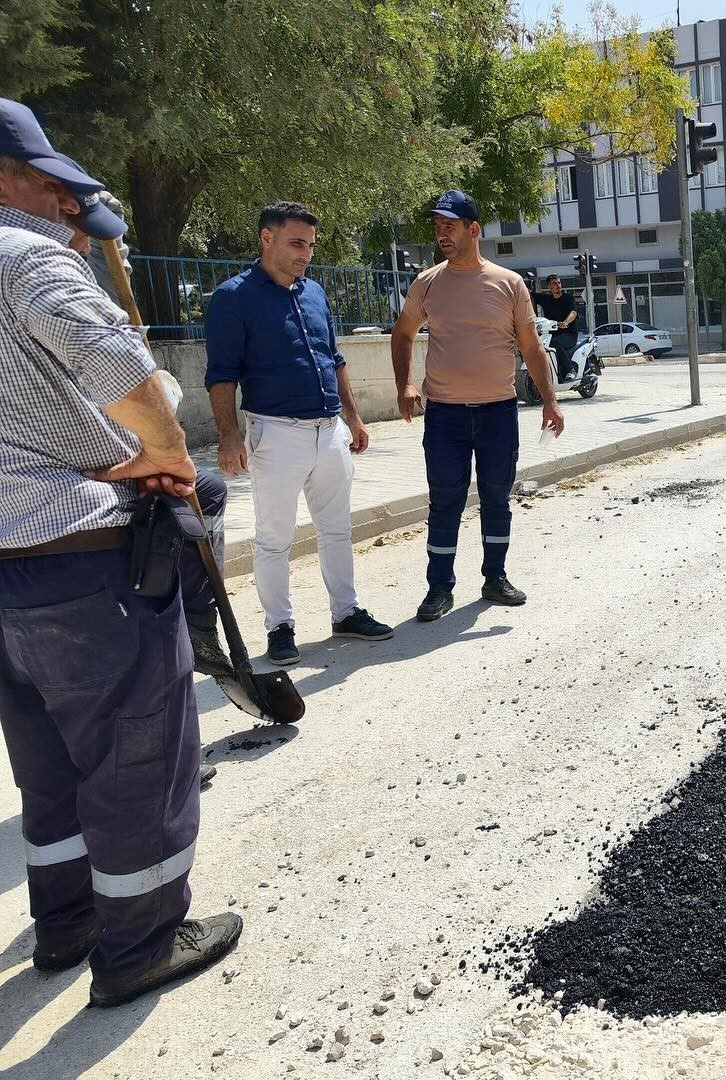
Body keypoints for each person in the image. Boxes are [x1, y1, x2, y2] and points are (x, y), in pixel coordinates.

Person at [0, 98, 241, 1004]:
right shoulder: (27, 261)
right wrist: (169, 460)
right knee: (137, 753)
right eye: (48, 185)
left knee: (46, 757)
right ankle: (139, 944)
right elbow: (131, 379)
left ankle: (67, 925)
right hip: (81, 557)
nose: (65, 208)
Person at [205, 202, 393, 666]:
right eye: (296, 243)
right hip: (275, 433)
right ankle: (280, 627)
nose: (305, 254)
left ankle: (346, 613)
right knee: (274, 536)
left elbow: (335, 359)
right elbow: (221, 374)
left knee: (337, 529)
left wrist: (353, 418)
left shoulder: (314, 293)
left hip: (328, 430)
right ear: (266, 238)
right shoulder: (233, 298)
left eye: (310, 245)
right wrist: (229, 436)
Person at [62, 186, 231, 681]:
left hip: (117, 457)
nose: (125, 260)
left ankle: (198, 624)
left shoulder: (94, 287)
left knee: (205, 491)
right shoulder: (63, 287)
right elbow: (128, 396)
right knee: (174, 508)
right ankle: (183, 632)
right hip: (79, 478)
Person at [390, 189, 564, 621]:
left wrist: (550, 401)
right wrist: (404, 386)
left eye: (449, 226)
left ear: (473, 229)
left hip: (498, 413)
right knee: (444, 501)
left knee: (496, 499)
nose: (441, 234)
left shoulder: (508, 283)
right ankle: (439, 588)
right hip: (445, 414)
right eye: (437, 227)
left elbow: (531, 346)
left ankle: (495, 577)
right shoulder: (427, 282)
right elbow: (403, 333)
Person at [535, 274, 579, 380]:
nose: (558, 285)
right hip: (550, 334)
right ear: (549, 286)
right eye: (554, 283)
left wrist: (565, 323)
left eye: (559, 283)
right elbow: (528, 293)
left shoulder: (568, 298)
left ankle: (570, 370)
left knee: (555, 342)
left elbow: (573, 313)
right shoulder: (546, 299)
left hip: (569, 334)